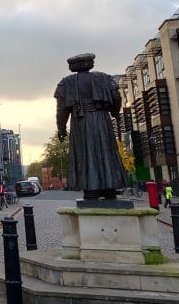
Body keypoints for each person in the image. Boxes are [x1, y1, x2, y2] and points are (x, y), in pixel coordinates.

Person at [54, 53, 126, 200]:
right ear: (91, 64)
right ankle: (110, 188)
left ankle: (91, 189)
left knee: (85, 153)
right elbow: (116, 97)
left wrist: (61, 128)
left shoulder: (66, 83)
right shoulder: (104, 78)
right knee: (107, 151)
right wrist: (115, 112)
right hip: (102, 119)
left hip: (81, 121)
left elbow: (62, 110)